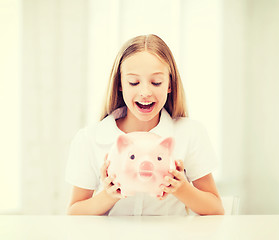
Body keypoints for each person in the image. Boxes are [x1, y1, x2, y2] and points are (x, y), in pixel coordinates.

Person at [65, 34, 224, 216]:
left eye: (156, 82)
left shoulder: (190, 133)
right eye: (134, 82)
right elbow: (74, 212)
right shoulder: (89, 139)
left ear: (170, 84)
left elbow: (216, 208)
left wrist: (181, 188)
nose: (145, 92)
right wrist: (109, 195)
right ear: (120, 84)